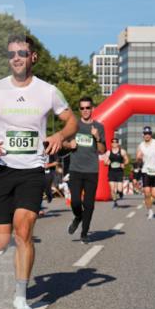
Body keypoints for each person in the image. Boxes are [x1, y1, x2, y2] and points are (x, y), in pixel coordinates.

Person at [0, 34, 77, 309]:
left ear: (33, 57)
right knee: (0, 242)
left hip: (32, 170)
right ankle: (0, 244)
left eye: (22, 52)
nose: (16, 57)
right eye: (11, 54)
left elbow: (72, 121)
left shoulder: (49, 91)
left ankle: (21, 297)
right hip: (1, 169)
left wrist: (59, 134)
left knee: (24, 232)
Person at [63, 96, 106, 242]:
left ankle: (84, 233)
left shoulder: (99, 127)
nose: (85, 110)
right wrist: (70, 145)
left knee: (89, 204)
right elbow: (63, 143)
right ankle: (78, 217)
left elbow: (102, 150)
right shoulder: (74, 126)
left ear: (92, 109)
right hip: (75, 169)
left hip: (92, 170)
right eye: (82, 108)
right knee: (75, 201)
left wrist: (97, 137)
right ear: (79, 110)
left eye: (88, 107)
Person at [105, 137, 129, 208]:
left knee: (119, 189)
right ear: (111, 143)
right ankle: (115, 202)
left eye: (116, 142)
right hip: (111, 172)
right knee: (112, 189)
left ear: (118, 143)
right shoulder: (108, 152)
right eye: (113, 142)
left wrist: (124, 164)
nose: (114, 143)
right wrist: (107, 163)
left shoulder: (122, 151)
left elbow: (127, 160)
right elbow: (105, 162)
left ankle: (120, 193)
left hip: (119, 172)